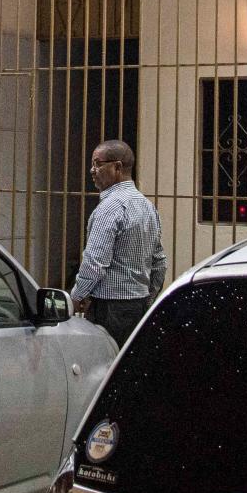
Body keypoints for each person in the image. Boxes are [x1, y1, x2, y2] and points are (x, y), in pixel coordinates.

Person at [70, 139, 166, 346]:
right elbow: (159, 262)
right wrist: (147, 299)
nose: (92, 170)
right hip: (138, 306)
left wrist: (77, 296)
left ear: (117, 167)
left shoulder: (110, 208)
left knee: (105, 361)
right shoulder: (148, 207)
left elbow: (94, 262)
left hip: (109, 309)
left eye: (98, 164)